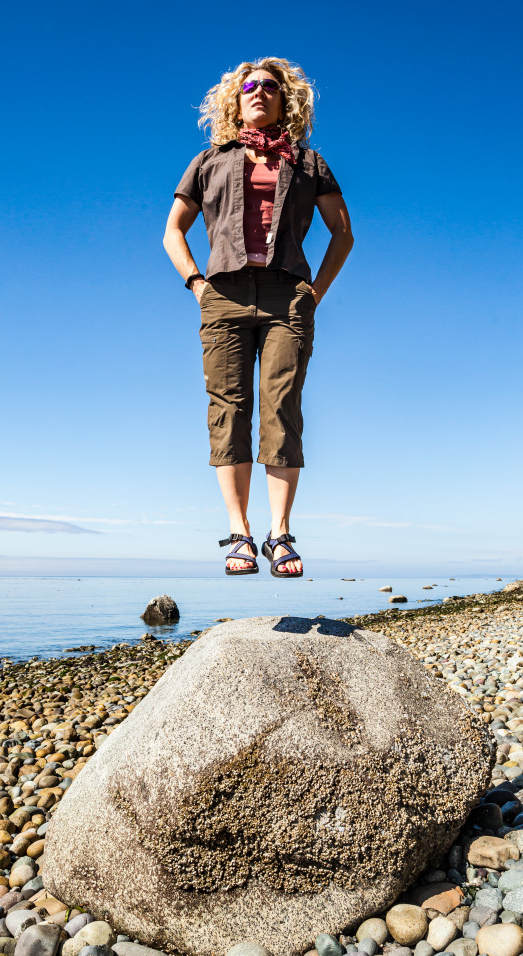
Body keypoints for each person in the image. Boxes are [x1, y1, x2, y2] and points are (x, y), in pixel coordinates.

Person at [163, 58, 353, 578]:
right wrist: (197, 285)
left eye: (271, 86)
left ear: (284, 99)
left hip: (287, 296)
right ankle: (240, 534)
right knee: (228, 408)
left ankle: (280, 533)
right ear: (235, 98)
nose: (260, 92)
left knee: (281, 407)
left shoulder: (309, 163)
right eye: (250, 85)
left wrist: (314, 293)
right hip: (222, 296)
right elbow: (172, 232)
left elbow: (343, 233)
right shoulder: (208, 160)